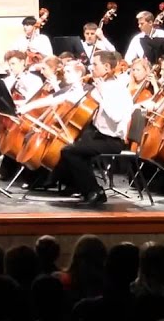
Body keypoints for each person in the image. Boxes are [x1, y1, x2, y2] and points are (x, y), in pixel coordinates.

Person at [55, 51, 134, 206]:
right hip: (98, 134)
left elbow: (116, 117)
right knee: (67, 146)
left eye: (95, 64)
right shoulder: (102, 86)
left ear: (106, 67)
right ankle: (78, 187)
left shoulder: (117, 89)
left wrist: (103, 96)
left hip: (112, 139)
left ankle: (94, 191)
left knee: (70, 152)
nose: (91, 67)